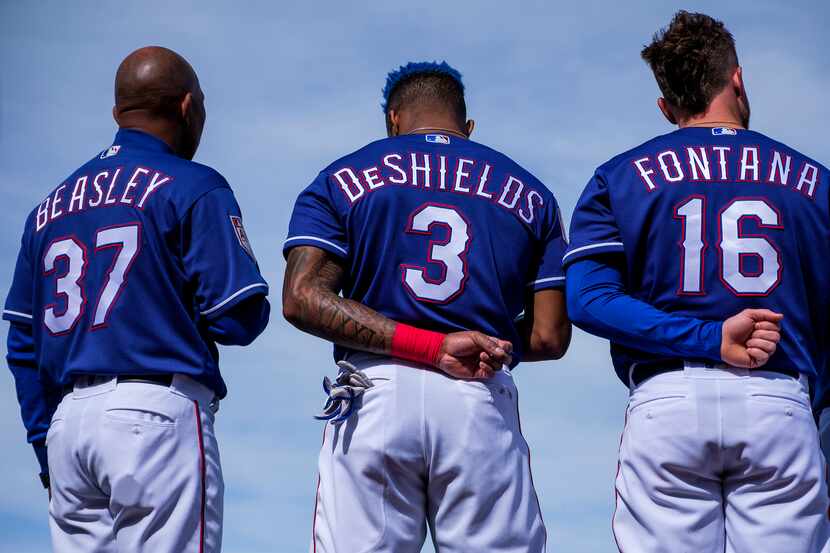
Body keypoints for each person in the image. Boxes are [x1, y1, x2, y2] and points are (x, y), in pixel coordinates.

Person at [564, 11, 829, 553]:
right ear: (737, 77)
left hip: (668, 400)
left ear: (666, 107)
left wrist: (707, 338)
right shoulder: (816, 181)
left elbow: (588, 300)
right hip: (782, 402)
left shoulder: (618, 176)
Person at [282, 61, 570, 553]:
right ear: (467, 127)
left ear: (393, 120)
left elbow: (301, 297)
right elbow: (548, 336)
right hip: (478, 393)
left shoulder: (341, 177)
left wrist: (429, 345)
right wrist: (484, 342)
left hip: (376, 391)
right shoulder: (532, 193)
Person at [3, 46, 270, 552]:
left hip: (67, 426)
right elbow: (240, 317)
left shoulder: (46, 210)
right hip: (154, 412)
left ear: (117, 112)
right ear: (188, 106)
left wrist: (45, 442)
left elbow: (22, 344)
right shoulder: (194, 185)